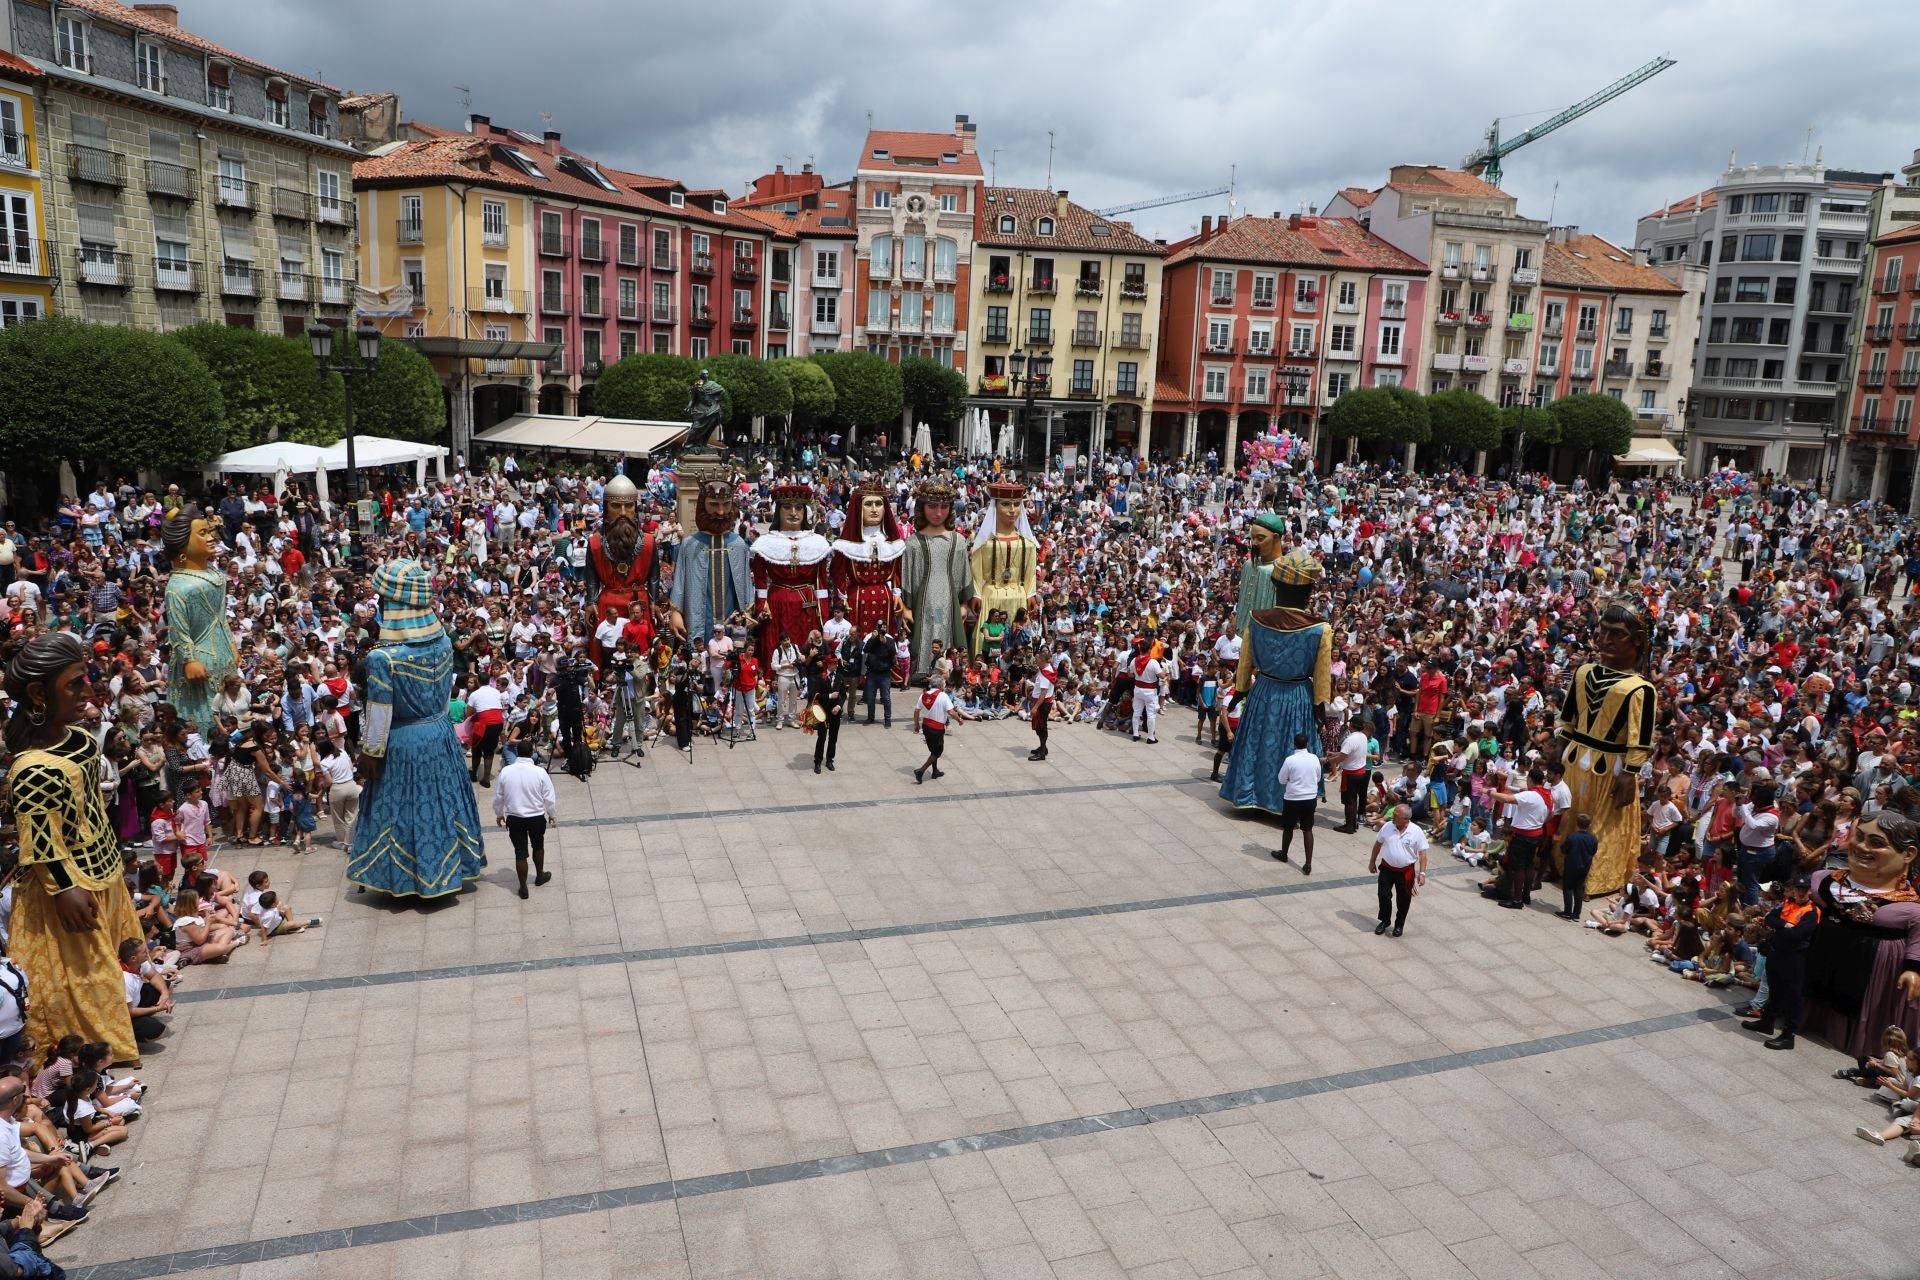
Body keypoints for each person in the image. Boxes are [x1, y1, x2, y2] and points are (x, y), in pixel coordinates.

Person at [4, 634, 146, 1065]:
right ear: (37, 693)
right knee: (81, 976)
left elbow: (92, 813)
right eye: (74, 685)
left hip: (100, 870)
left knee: (106, 966)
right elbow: (41, 843)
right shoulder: (32, 768)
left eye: (85, 680)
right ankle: (86, 1052)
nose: (87, 693)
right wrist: (66, 888)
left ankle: (116, 1027)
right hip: (65, 887)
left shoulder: (80, 740)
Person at [346, 561, 487, 901]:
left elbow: (379, 713)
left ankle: (407, 878)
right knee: (442, 803)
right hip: (440, 734)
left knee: (399, 809)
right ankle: (449, 868)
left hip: (404, 740)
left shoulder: (384, 658)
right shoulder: (440, 641)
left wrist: (370, 753)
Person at [1554, 598, 1657, 899]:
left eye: (1617, 633)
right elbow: (1569, 718)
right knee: (1568, 815)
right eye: (1603, 631)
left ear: (1637, 641)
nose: (1606, 639)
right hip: (1575, 759)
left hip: (1612, 765)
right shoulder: (1584, 671)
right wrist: (1557, 748)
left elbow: (1641, 737)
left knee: (1603, 827)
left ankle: (1595, 878)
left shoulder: (1641, 688)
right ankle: (1560, 865)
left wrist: (1630, 773)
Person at [1220, 549, 1331, 818]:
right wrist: (1320, 711)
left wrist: (1238, 694)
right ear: (1308, 594)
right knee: (1291, 746)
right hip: (1297, 695)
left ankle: (1249, 796)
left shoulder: (1256, 620)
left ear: (1276, 587)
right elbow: (1322, 677)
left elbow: (1244, 665)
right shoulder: (1320, 628)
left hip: (1264, 692)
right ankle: (1286, 804)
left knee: (1257, 744)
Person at [160, 505, 239, 739]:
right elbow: (178, 630)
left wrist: (232, 644)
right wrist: (189, 660)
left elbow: (221, 615)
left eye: (209, 532)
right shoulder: (176, 587)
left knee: (230, 707)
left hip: (222, 649)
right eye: (202, 534)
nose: (211, 537)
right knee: (207, 712)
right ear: (183, 549)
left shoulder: (213, 572)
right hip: (198, 658)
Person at [582, 473, 660, 668]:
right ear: (607, 508)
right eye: (616, 506)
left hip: (638, 604)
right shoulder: (595, 544)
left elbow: (653, 576)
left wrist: (654, 602)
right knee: (607, 654)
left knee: (641, 653)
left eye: (628, 506)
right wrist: (590, 601)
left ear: (636, 507)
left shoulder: (649, 543)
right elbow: (591, 578)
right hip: (608, 604)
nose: (623, 512)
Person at [749, 484, 831, 670]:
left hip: (808, 604)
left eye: (799, 508)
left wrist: (824, 613)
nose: (793, 513)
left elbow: (822, 583)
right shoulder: (765, 543)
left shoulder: (817, 543)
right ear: (778, 511)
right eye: (787, 507)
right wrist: (762, 606)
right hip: (777, 602)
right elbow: (760, 582)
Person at [900, 480, 973, 682]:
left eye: (943, 506)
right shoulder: (913, 542)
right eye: (932, 506)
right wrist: (906, 607)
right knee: (925, 632)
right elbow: (907, 576)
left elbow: (963, 573)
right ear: (922, 508)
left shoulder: (958, 541)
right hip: (923, 601)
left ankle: (948, 671)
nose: (938, 512)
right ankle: (922, 670)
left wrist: (964, 603)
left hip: (949, 600)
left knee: (947, 632)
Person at [1742, 872, 1822, 1051]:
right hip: (1777, 953)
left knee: (1793, 996)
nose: (1801, 893)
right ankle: (1767, 1022)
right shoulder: (1788, 903)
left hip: (1794, 958)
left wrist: (1780, 927)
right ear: (1793, 890)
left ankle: (1789, 1035)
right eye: (1798, 889)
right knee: (1775, 989)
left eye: (1804, 890)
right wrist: (1784, 925)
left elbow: (1797, 935)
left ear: (1810, 892)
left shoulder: (1812, 912)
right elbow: (1770, 918)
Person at [669, 480, 753, 646]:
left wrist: (748, 611)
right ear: (703, 505)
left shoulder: (739, 545)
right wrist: (675, 613)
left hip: (731, 616)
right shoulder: (689, 545)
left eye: (726, 505)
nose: (721, 512)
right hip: (699, 618)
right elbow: (679, 583)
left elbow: (746, 585)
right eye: (713, 505)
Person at [968, 482, 1038, 655]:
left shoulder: (1027, 544)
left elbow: (1030, 574)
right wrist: (976, 593)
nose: (1012, 510)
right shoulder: (984, 543)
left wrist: (1030, 593)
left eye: (1016, 504)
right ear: (995, 506)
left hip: (1019, 596)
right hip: (991, 595)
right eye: (1005, 504)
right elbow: (975, 572)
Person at [493, 747, 559, 901]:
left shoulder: (506, 771)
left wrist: (498, 814)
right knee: (538, 846)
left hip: (515, 818)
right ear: (531, 754)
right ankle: (540, 875)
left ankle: (523, 888)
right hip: (536, 817)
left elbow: (498, 797)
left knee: (520, 852)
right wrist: (552, 814)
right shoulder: (540, 772)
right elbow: (549, 796)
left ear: (517, 754)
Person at [1489, 766, 1554, 911]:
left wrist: (1489, 792)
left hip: (1523, 835)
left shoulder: (1530, 795)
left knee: (1518, 867)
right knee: (1529, 865)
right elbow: (1551, 814)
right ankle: (1526, 895)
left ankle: (1517, 900)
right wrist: (1539, 822)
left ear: (1530, 779)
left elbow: (1506, 798)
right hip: (1536, 834)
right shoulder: (1547, 794)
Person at [1369, 804, 1429, 938]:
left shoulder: (1416, 832)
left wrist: (1422, 873)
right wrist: (1372, 861)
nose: (1392, 816)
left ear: (1406, 819)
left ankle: (1399, 924)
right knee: (1383, 895)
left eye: (1396, 815)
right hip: (1387, 868)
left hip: (1405, 872)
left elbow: (1423, 854)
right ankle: (1385, 921)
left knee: (1403, 900)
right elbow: (1378, 843)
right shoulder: (1387, 826)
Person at [1274, 733, 1322, 873]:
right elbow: (1318, 777)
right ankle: (1308, 863)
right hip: (1310, 798)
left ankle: (1284, 853)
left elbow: (1281, 779)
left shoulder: (1290, 760)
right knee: (1307, 829)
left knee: (1288, 827)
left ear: (1294, 744)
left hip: (1293, 798)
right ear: (1307, 744)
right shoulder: (1314, 758)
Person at [913, 676, 966, 784]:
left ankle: (935, 771)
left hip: (926, 726)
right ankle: (921, 771)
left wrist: (916, 724)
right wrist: (959, 720)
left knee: (933, 750)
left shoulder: (923, 695)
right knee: (938, 751)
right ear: (941, 685)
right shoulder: (943, 696)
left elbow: (916, 711)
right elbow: (951, 712)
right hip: (937, 728)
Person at [1329, 718, 1370, 834]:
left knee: (1349, 801)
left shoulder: (1350, 739)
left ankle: (1349, 826)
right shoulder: (1363, 736)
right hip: (1361, 772)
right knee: (1354, 799)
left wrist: (1328, 759)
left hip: (1351, 774)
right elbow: (1348, 753)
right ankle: (1353, 823)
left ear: (1351, 725)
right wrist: (1334, 754)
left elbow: (1342, 757)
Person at [807, 657, 847, 775]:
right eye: (834, 664)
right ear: (828, 665)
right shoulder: (820, 678)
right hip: (823, 712)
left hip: (835, 712)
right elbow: (814, 695)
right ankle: (818, 762)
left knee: (833, 738)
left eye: (836, 664)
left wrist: (839, 706)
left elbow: (843, 695)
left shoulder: (840, 677)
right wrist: (829, 696)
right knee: (822, 737)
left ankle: (830, 760)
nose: (836, 666)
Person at [1558, 813, 1598, 920]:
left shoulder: (1572, 836)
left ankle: (1567, 911)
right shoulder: (1593, 839)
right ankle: (1576, 914)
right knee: (1579, 888)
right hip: (1584, 867)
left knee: (1568, 888)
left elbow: (1563, 849)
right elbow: (1593, 851)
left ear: (1577, 824)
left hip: (1571, 865)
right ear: (1589, 825)